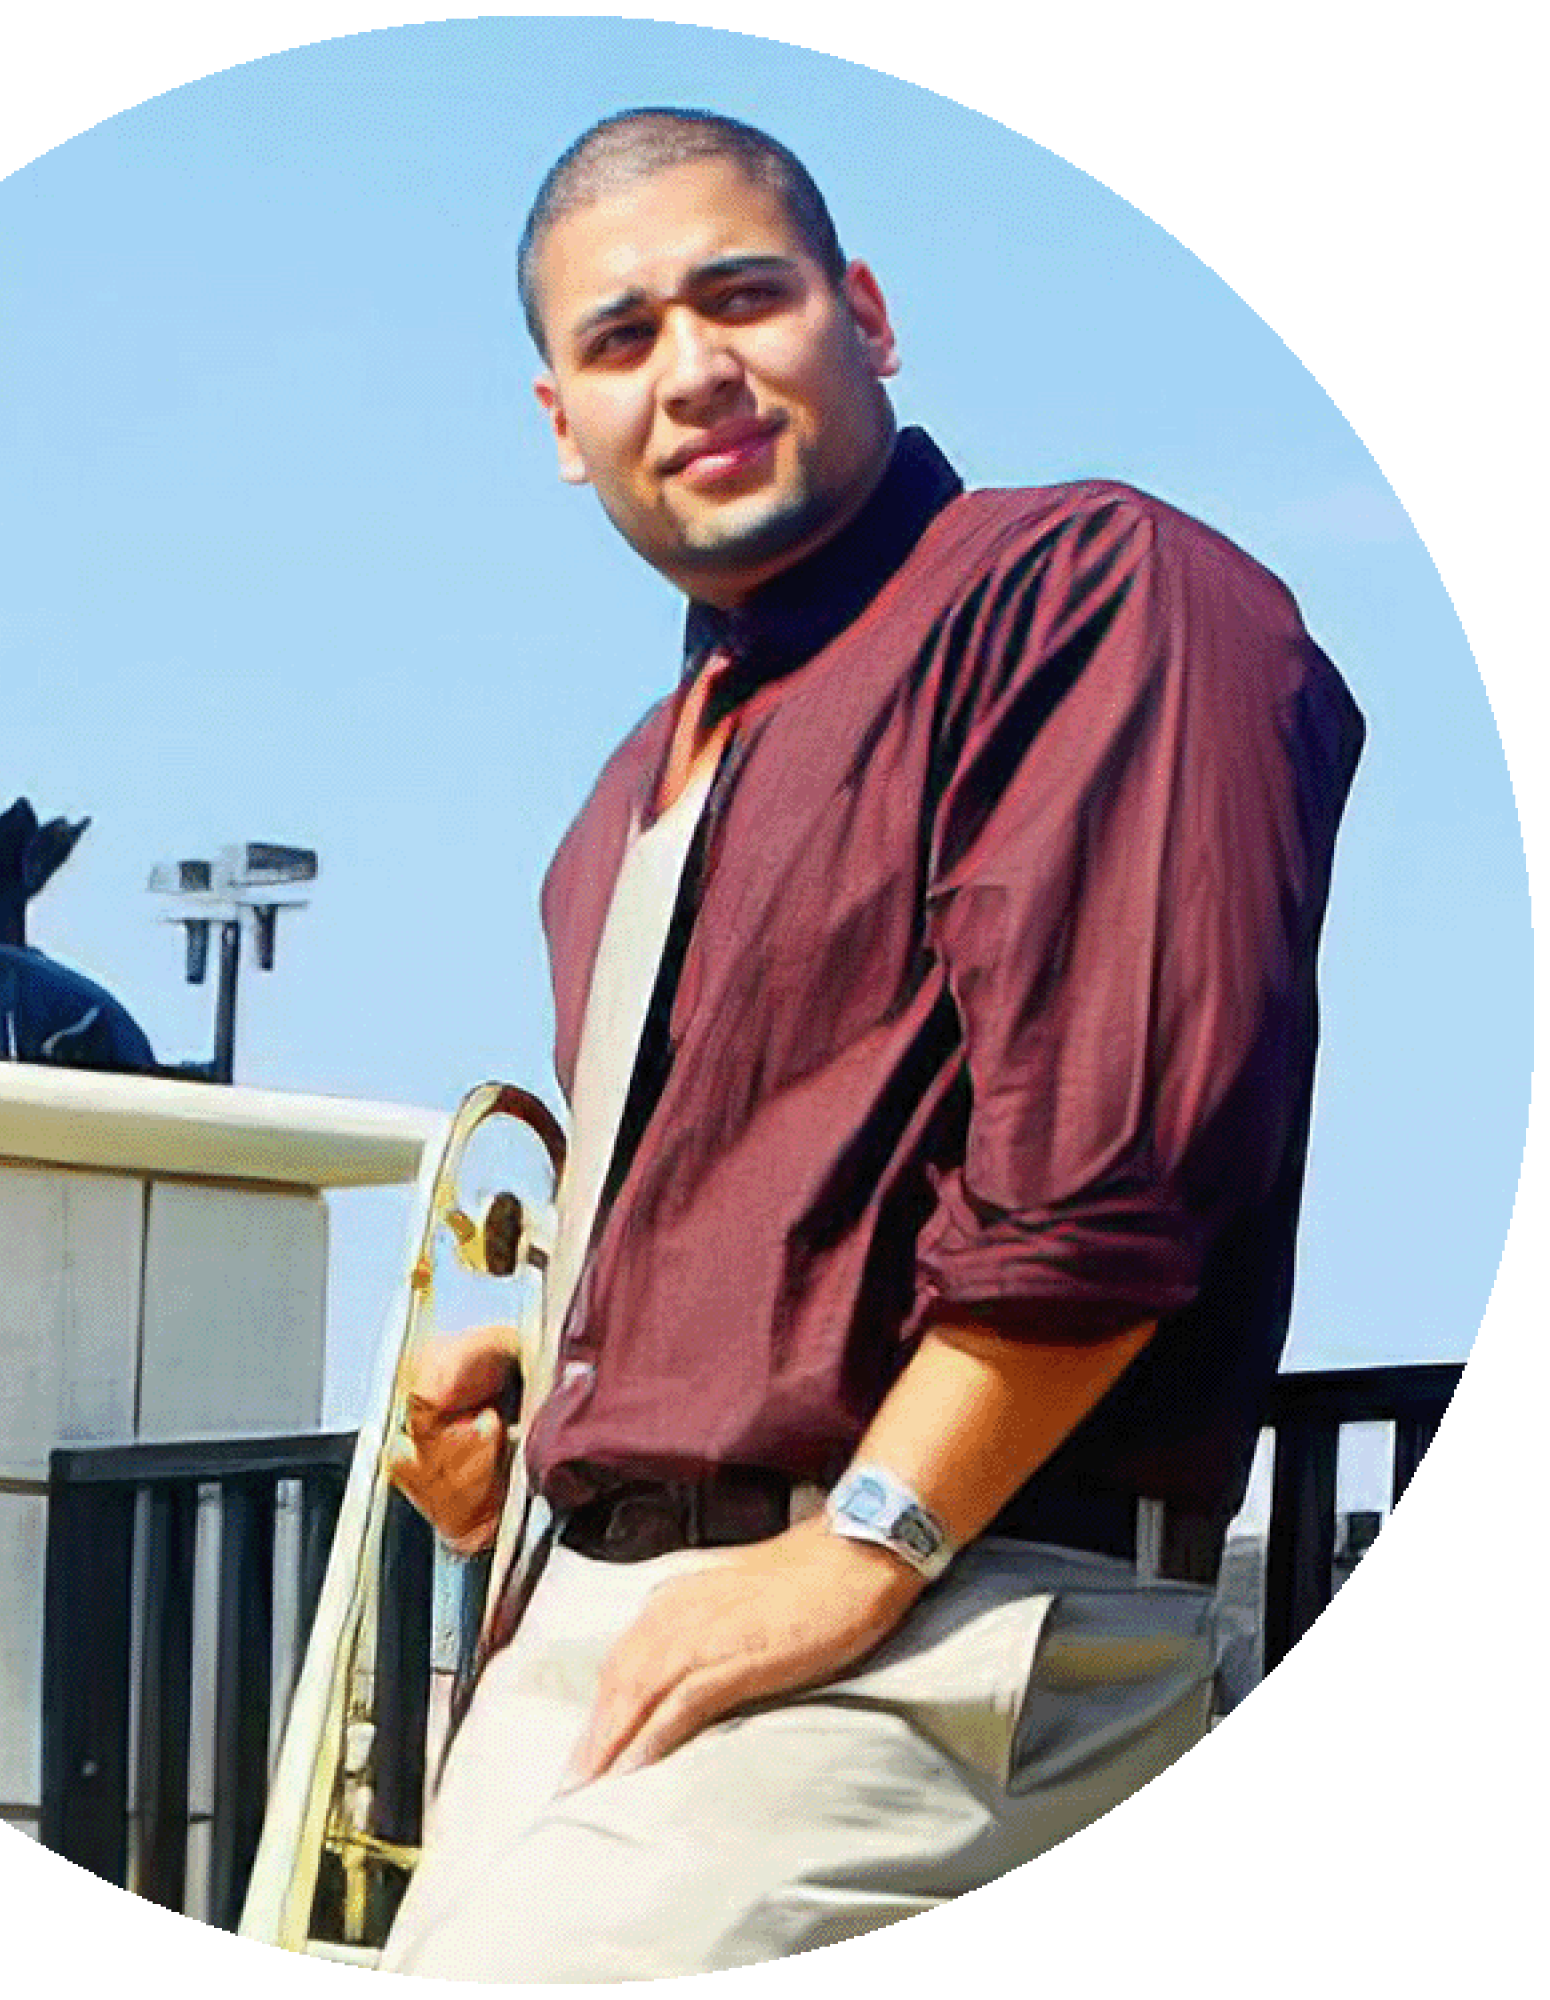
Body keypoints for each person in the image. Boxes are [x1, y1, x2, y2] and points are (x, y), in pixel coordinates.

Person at [380, 107, 1364, 1977]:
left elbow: (1103, 1180)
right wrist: (571, 1400)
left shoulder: (1084, 590)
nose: (693, 371)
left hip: (963, 1620)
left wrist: (862, 1545)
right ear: (559, 426)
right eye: (622, 338)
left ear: (870, 316)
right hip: (604, 1629)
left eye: (743, 296)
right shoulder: (617, 806)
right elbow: (794, 1210)